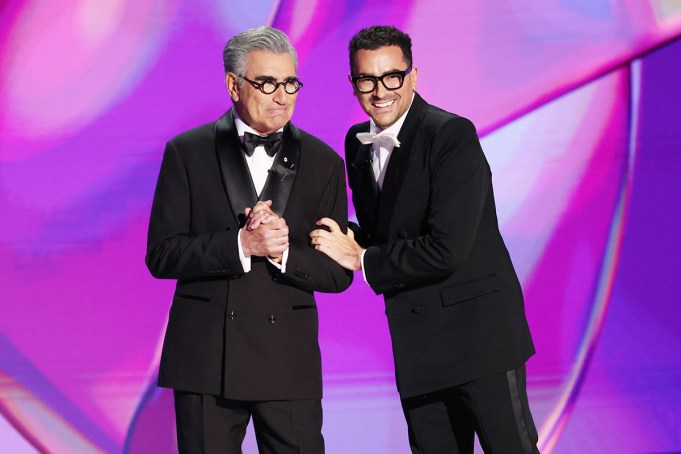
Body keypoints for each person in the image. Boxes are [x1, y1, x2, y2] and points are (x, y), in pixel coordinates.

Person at [310, 25, 539, 453]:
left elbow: (447, 248)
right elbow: (384, 231)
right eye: (367, 79)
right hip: (419, 349)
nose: (380, 91)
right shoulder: (356, 145)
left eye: (392, 76)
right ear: (353, 84)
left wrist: (363, 259)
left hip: (480, 341)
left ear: (414, 75)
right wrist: (327, 234)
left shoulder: (451, 135)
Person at [146, 26, 352, 453]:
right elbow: (162, 255)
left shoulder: (324, 163)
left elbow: (337, 274)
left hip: (288, 363)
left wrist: (281, 251)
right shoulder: (187, 152)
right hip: (206, 361)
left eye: (290, 83)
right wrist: (241, 245)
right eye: (268, 83)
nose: (283, 96)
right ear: (232, 85)